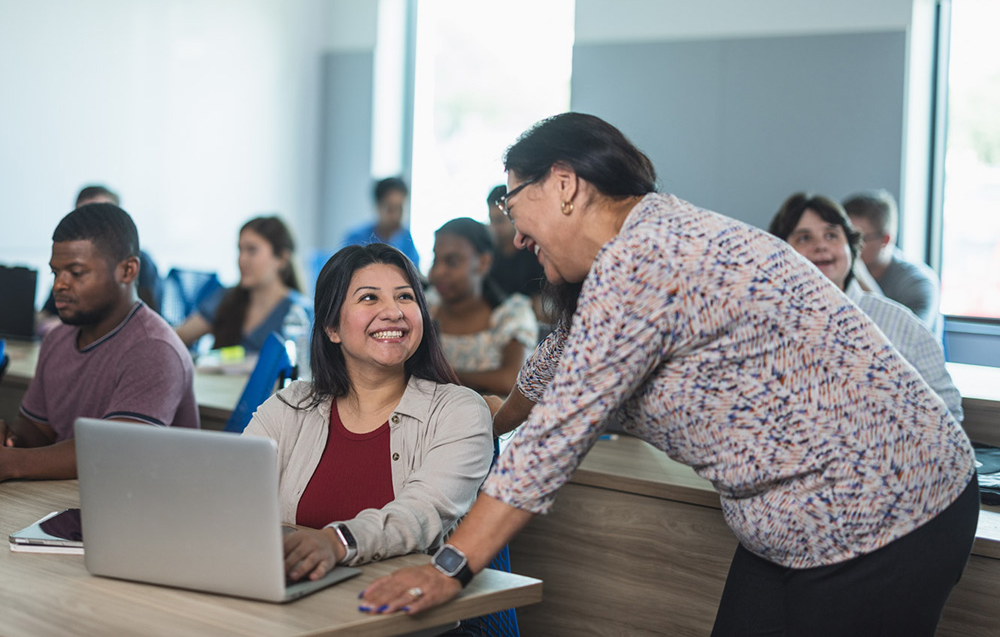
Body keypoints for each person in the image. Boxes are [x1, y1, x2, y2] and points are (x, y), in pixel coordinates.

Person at [358, 113, 978, 636]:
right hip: (791, 523)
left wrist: (448, 569)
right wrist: (478, 430)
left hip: (887, 507)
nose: (515, 235)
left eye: (512, 202)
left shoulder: (648, 257)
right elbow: (550, 372)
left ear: (565, 184)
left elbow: (552, 441)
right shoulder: (631, 250)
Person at [242, 243, 492, 583]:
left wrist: (336, 542)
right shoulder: (290, 406)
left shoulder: (459, 412)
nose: (394, 312)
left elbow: (420, 515)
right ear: (332, 328)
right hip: (298, 593)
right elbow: (233, 493)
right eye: (370, 298)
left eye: (405, 297)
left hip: (402, 603)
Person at [0, 204, 199, 481]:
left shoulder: (155, 348)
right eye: (55, 273)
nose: (59, 285)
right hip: (74, 495)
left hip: (146, 500)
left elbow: (114, 452)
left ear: (127, 271)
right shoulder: (57, 338)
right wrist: (12, 439)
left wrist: (12, 463)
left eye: (76, 273)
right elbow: (37, 428)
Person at [769, 192, 962, 420]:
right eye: (804, 238)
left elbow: (947, 414)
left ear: (852, 249)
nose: (820, 246)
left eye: (831, 235)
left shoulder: (902, 325)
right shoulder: (761, 323)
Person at [428, 217, 538, 397]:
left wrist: (442, 376)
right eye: (435, 260)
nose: (438, 271)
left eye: (452, 261)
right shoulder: (426, 308)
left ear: (483, 262)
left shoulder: (510, 315)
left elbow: (512, 380)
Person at [175, 216, 311, 354]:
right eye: (240, 250)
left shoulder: (300, 312)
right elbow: (176, 337)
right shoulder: (226, 298)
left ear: (281, 258)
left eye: (252, 250)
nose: (242, 259)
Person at [38, 185, 163, 333]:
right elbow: (46, 313)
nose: (91, 222)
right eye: (82, 216)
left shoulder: (143, 264)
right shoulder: (65, 271)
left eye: (77, 273)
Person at [843, 190, 941, 330]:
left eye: (857, 238)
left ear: (885, 240)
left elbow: (907, 337)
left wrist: (859, 274)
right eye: (843, 236)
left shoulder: (919, 283)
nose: (847, 246)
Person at [486, 185, 547, 320]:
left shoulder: (534, 253)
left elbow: (539, 307)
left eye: (499, 221)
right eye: (491, 220)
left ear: (514, 217)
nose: (494, 227)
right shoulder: (489, 258)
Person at [342, 177, 421, 269]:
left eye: (400, 209)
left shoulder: (406, 237)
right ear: (378, 207)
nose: (396, 216)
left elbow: (415, 270)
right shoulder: (356, 238)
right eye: (390, 209)